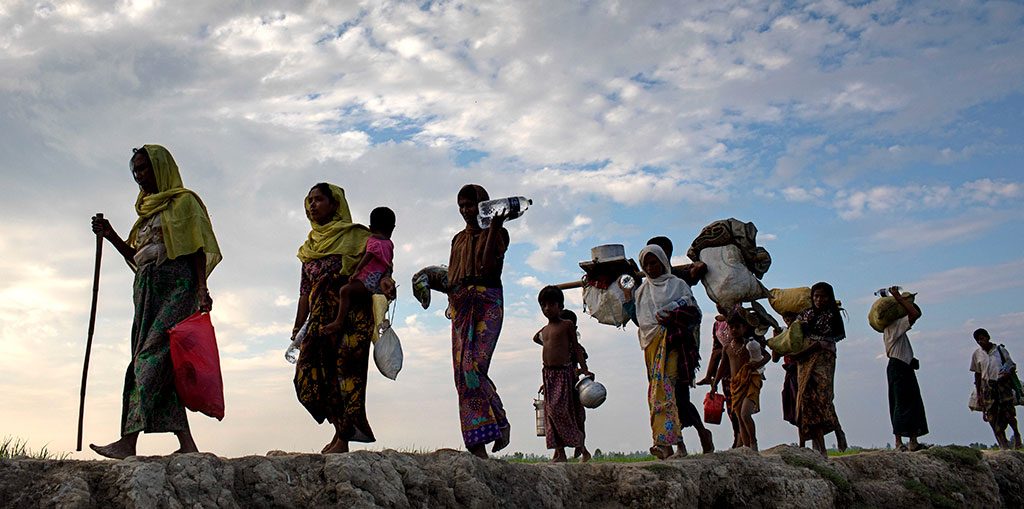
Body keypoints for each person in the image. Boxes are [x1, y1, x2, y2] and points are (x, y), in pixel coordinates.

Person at [89, 145, 221, 459]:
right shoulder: (147, 211)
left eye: (144, 169)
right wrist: (110, 234)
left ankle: (127, 440)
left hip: (177, 286)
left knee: (147, 360)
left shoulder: (185, 202)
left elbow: (197, 248)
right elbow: (137, 257)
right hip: (146, 290)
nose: (138, 176)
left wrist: (202, 289)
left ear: (160, 168)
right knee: (163, 364)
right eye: (134, 170)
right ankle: (186, 445)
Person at [292, 183, 383, 454]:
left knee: (346, 376)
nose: (312, 205)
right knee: (308, 376)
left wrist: (386, 282)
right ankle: (337, 426)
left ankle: (342, 438)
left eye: (318, 199)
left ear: (335, 204)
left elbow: (379, 266)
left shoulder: (357, 237)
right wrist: (298, 325)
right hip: (319, 322)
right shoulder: (309, 247)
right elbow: (304, 292)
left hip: (351, 318)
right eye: (309, 200)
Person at [628, 244, 713, 459]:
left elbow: (694, 313)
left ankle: (678, 442)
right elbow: (640, 321)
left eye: (654, 261)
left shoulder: (678, 285)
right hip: (653, 348)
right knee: (661, 395)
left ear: (662, 262)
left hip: (676, 348)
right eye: (646, 264)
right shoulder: (641, 292)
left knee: (674, 394)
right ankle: (675, 445)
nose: (650, 267)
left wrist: (672, 317)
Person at [447, 184, 511, 459]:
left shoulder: (500, 233)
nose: (465, 211)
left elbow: (487, 266)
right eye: (461, 205)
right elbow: (452, 276)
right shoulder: (458, 239)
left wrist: (494, 227)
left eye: (470, 205)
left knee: (474, 367)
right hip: (461, 303)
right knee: (462, 373)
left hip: (487, 301)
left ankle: (499, 420)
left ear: (483, 205)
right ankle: (477, 443)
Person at [536, 286, 592, 463]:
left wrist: (584, 370)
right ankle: (560, 452)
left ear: (560, 306)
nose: (547, 309)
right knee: (550, 414)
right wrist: (545, 382)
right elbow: (537, 339)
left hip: (564, 374)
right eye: (543, 305)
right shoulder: (544, 331)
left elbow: (576, 349)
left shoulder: (566, 325)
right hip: (548, 375)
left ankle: (579, 442)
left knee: (559, 411)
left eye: (551, 304)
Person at [321, 207, 397, 336]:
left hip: (368, 278)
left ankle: (338, 321)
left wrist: (356, 271)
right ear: (392, 228)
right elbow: (388, 263)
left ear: (370, 228)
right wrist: (385, 278)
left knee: (345, 291)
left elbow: (368, 256)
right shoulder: (389, 243)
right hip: (378, 279)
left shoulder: (373, 240)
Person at [793, 282, 848, 456]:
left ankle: (838, 431)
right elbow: (794, 333)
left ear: (829, 297)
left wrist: (807, 349)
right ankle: (820, 447)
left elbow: (829, 340)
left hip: (824, 360)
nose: (819, 300)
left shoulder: (832, 315)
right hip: (804, 360)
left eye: (823, 296)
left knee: (824, 398)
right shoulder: (805, 314)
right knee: (807, 400)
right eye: (816, 296)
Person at [712, 308, 769, 450]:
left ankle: (753, 442)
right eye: (731, 327)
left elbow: (766, 356)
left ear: (744, 328)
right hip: (735, 385)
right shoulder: (727, 348)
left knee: (745, 414)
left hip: (751, 382)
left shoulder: (750, 344)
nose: (734, 330)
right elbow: (722, 367)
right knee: (739, 418)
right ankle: (747, 447)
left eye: (737, 327)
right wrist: (714, 384)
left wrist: (757, 364)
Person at [882, 286, 928, 451]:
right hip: (898, 368)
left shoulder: (895, 328)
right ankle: (899, 442)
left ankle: (912, 441)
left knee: (910, 403)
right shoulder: (894, 327)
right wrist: (899, 298)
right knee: (901, 404)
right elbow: (915, 314)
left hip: (903, 367)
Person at [971, 328, 1021, 449]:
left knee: (1009, 414)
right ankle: (1003, 444)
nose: (980, 342)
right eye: (978, 340)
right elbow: (977, 375)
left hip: (1003, 386)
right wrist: (979, 394)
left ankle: (1016, 434)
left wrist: (1006, 374)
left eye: (982, 338)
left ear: (988, 337)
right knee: (992, 417)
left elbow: (1011, 365)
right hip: (988, 388)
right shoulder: (977, 354)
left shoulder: (1000, 350)